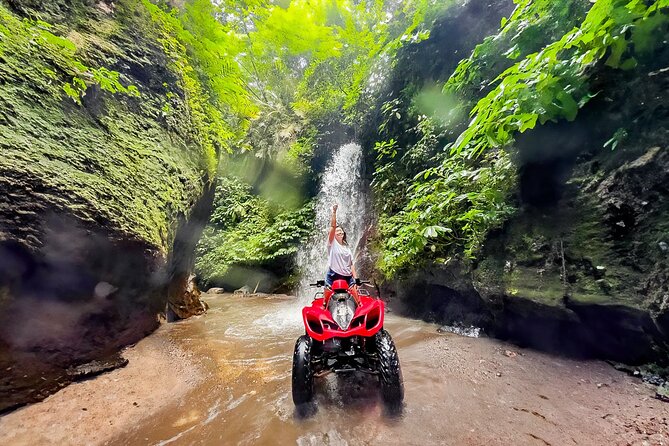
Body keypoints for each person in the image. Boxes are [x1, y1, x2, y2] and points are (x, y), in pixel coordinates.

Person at [326, 204, 358, 294]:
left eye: (341, 230)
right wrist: (334, 212)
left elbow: (351, 264)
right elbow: (332, 226)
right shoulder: (331, 243)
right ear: (333, 234)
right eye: (337, 231)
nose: (340, 232)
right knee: (325, 302)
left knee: (357, 300)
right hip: (333, 274)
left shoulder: (347, 248)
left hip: (347, 276)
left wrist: (355, 278)